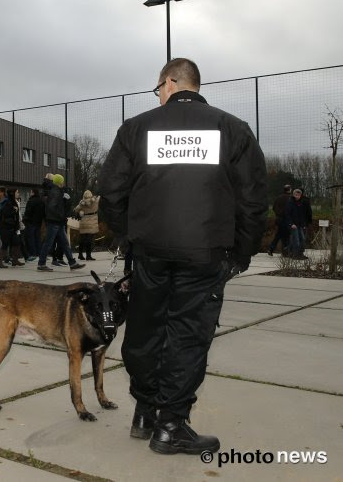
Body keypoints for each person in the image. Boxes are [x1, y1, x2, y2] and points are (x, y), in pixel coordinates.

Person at [98, 58, 267, 455]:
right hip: (205, 253)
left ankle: (145, 409)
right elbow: (253, 201)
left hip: (150, 253)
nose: (157, 95)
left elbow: (112, 193)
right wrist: (240, 255)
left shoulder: (136, 128)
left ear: (170, 83)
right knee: (188, 335)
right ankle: (170, 423)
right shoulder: (233, 129)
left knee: (146, 328)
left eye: (158, 88)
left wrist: (128, 238)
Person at [36, 174, 85, 272]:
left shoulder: (57, 191)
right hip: (55, 222)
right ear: (59, 182)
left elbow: (59, 207)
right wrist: (60, 215)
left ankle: (72, 263)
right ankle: (41, 264)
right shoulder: (55, 192)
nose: (63, 183)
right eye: (62, 181)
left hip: (58, 222)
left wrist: (65, 202)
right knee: (48, 243)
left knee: (65, 243)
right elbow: (52, 207)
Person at [0, 188, 24, 268]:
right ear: (12, 193)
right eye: (17, 192)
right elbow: (5, 213)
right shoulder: (7, 202)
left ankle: (15, 260)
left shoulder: (14, 202)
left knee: (16, 242)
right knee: (5, 244)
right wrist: (13, 210)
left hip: (12, 227)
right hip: (5, 227)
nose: (18, 194)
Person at [74, 190, 99, 261]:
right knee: (89, 239)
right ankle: (88, 256)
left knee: (82, 239)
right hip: (92, 222)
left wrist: (80, 211)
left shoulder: (81, 203)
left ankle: (80, 254)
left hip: (83, 221)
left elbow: (76, 210)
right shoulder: (95, 201)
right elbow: (100, 198)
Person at [267, 184, 292, 256]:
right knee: (286, 236)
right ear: (289, 190)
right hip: (286, 219)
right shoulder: (290, 198)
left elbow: (274, 208)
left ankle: (271, 249)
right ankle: (285, 252)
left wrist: (278, 214)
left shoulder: (278, 198)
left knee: (279, 234)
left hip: (279, 219)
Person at [285, 188, 308, 259]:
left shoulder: (301, 203)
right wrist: (291, 224)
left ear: (301, 196)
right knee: (296, 240)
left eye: (299, 195)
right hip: (293, 225)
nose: (297, 196)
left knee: (303, 239)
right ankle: (295, 255)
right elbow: (287, 214)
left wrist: (304, 224)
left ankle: (299, 253)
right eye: (296, 195)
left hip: (300, 224)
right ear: (293, 195)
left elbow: (302, 215)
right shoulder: (290, 203)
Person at [22, 188, 44, 261]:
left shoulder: (31, 201)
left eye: (31, 192)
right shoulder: (41, 201)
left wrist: (24, 220)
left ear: (33, 193)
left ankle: (33, 253)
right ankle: (39, 253)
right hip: (38, 222)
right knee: (38, 238)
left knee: (31, 238)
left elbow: (28, 212)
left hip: (31, 222)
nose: (30, 193)